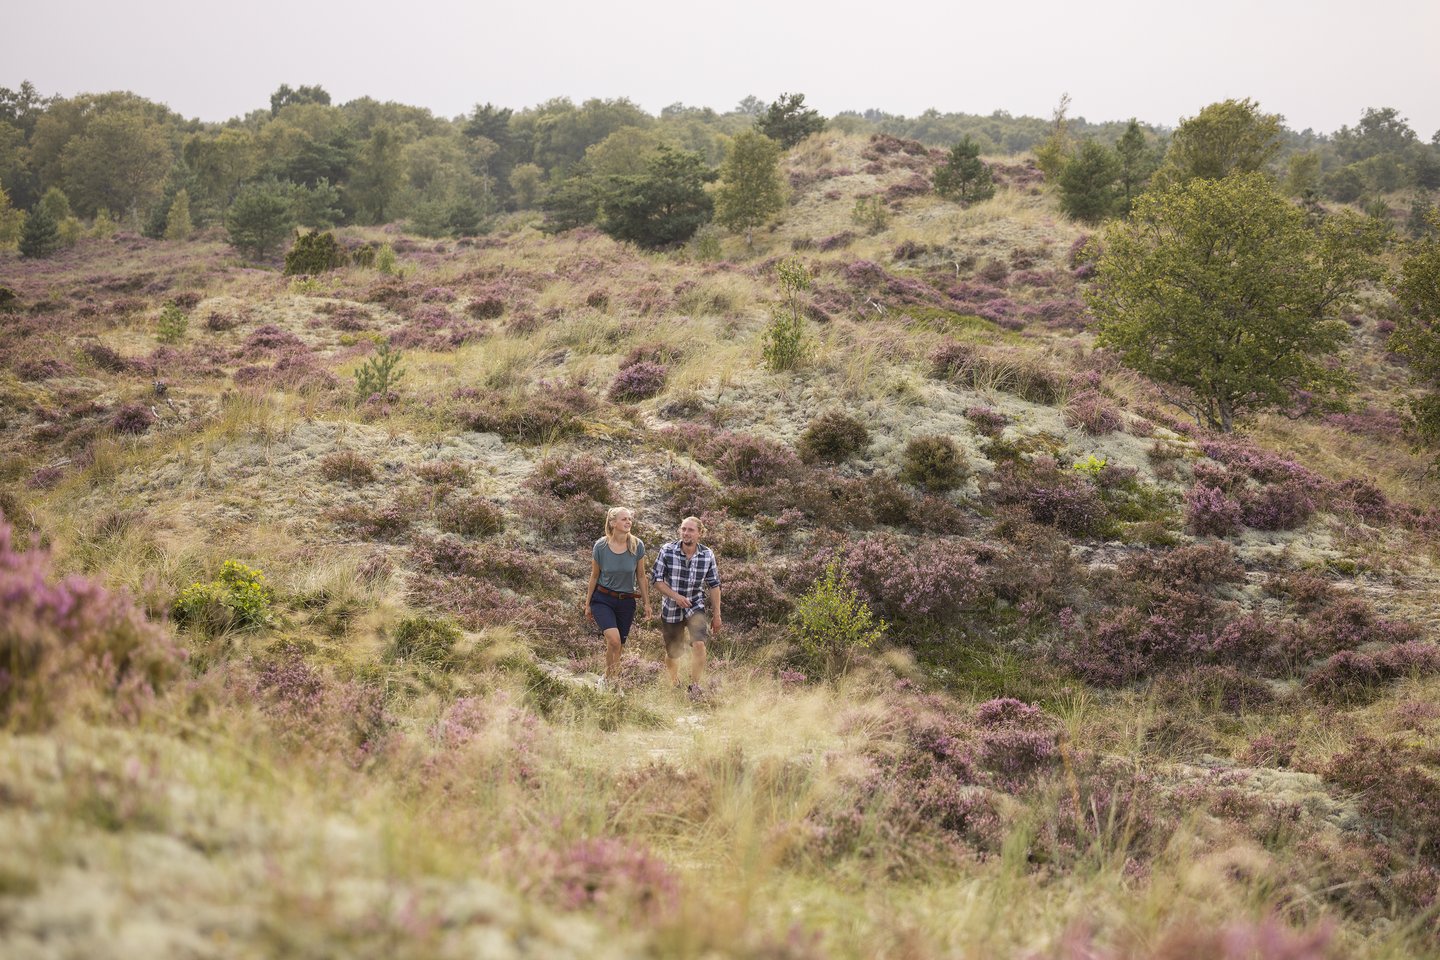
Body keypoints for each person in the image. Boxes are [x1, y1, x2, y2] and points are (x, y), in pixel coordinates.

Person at [650, 515, 722, 699]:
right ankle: (674, 682)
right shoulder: (667, 550)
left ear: (700, 533)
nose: (686, 533)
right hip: (671, 607)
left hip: (695, 604)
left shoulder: (707, 555)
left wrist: (717, 615)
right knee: (673, 653)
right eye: (683, 529)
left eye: (690, 530)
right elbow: (656, 580)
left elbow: (714, 585)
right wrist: (676, 596)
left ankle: (694, 688)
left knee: (699, 644)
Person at [584, 507, 650, 692]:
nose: (628, 522)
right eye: (624, 519)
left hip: (626, 602)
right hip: (603, 599)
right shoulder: (601, 546)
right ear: (613, 523)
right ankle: (612, 681)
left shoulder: (637, 545)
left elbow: (641, 576)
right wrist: (587, 604)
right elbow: (594, 576)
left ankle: (609, 680)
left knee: (618, 645)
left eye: (630, 519)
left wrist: (647, 603)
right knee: (614, 640)